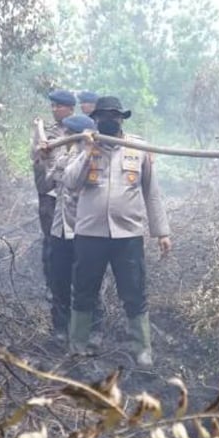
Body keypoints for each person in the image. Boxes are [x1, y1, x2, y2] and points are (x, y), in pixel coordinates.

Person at [63, 96, 171, 367]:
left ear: (122, 118)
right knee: (84, 289)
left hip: (128, 235)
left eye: (114, 116)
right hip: (90, 234)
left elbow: (152, 192)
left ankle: (142, 348)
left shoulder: (138, 147)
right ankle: (78, 343)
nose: (108, 121)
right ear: (95, 119)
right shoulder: (85, 145)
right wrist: (88, 150)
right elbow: (70, 182)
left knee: (134, 291)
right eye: (103, 117)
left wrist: (162, 232)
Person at [35, 112, 102, 345]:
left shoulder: (96, 157)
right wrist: (44, 158)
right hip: (59, 229)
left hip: (84, 231)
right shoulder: (63, 156)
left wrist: (86, 151)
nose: (62, 136)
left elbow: (73, 181)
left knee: (87, 282)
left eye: (67, 133)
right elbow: (45, 185)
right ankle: (60, 327)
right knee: (59, 280)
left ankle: (93, 329)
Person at [32, 89, 77, 298]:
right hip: (50, 195)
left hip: (74, 197)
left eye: (58, 106)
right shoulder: (46, 133)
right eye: (53, 106)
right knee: (51, 241)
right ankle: (52, 285)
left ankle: (76, 285)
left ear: (70, 109)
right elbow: (36, 159)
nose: (54, 110)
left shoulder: (81, 131)